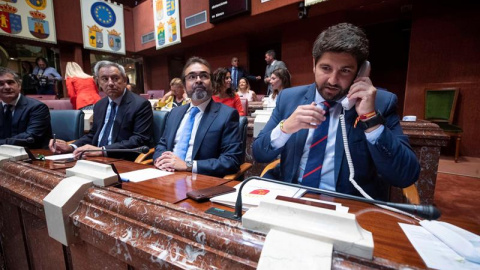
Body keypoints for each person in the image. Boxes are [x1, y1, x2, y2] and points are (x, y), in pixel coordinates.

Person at [253, 23, 420, 201]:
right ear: (314, 64)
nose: (333, 80)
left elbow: (406, 175)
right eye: (326, 68)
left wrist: (370, 120)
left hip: (349, 209)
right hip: (292, 200)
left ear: (361, 72)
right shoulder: (289, 98)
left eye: (345, 71)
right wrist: (285, 128)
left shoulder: (381, 103)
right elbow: (259, 153)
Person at [153, 57, 242, 177]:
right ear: (184, 85)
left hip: (200, 181)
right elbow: (162, 145)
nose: (198, 80)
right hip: (165, 176)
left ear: (212, 82)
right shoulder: (174, 113)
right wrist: (160, 160)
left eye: (204, 76)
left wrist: (188, 165)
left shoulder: (227, 115)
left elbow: (231, 161)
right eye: (192, 77)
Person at [49, 61, 153, 161]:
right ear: (98, 82)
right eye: (105, 79)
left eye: (115, 78)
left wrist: (102, 150)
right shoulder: (99, 105)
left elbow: (139, 140)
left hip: (122, 159)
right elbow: (94, 134)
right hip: (94, 158)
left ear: (125, 80)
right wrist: (71, 147)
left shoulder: (140, 104)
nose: (110, 83)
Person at [0, 67, 52, 149]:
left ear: (19, 86)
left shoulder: (37, 107)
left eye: (10, 82)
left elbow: (30, 137)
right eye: (1, 84)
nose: (6, 87)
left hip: (34, 155)